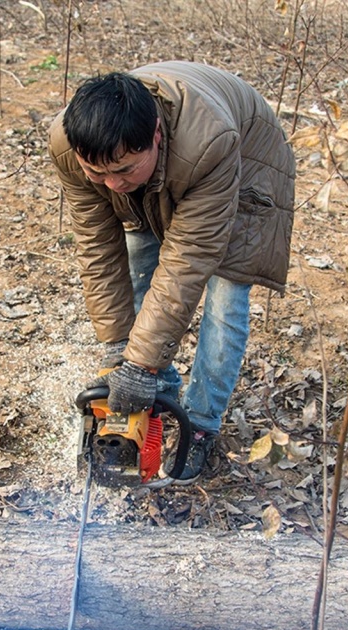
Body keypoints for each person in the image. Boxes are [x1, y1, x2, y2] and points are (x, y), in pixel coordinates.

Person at [49, 62, 295, 484]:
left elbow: (189, 258)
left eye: (124, 170)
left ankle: (200, 422)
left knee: (224, 294)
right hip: (173, 168)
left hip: (249, 162)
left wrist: (140, 366)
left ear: (156, 137)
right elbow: (98, 248)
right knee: (137, 257)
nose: (111, 184)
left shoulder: (210, 141)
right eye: (98, 173)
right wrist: (119, 350)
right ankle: (156, 380)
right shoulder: (69, 144)